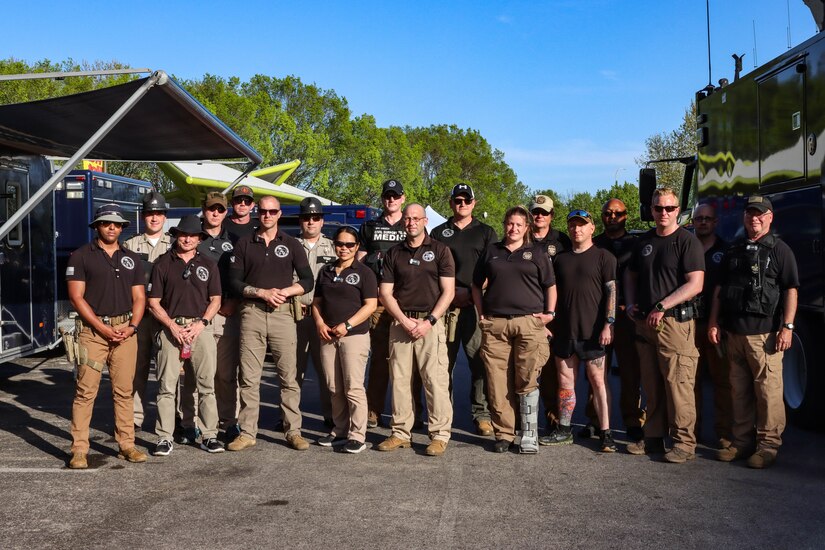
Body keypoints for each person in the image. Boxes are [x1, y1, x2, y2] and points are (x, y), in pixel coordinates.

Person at [709, 196, 799, 469]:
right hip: (734, 334)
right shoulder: (734, 250)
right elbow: (719, 290)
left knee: (768, 393)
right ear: (744, 217)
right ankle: (741, 442)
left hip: (766, 335)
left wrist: (787, 327)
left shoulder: (780, 250)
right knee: (739, 391)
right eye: (750, 214)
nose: (754, 218)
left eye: (760, 214)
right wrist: (714, 321)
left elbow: (790, 290)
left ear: (770, 217)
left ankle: (768, 446)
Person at [228, 195, 314, 451]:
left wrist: (285, 292)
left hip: (283, 314)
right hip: (252, 313)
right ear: (257, 213)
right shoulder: (244, 243)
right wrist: (260, 292)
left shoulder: (291, 244)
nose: (267, 215)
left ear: (279, 214)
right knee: (249, 377)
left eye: (272, 211)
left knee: (288, 376)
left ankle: (293, 431)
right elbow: (234, 282)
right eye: (263, 211)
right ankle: (246, 432)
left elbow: (308, 281)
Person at [625, 187, 704, 464]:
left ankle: (683, 442)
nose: (664, 213)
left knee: (678, 384)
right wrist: (632, 302)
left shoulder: (686, 241)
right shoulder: (645, 242)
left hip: (675, 323)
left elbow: (696, 283)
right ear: (652, 210)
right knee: (652, 384)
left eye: (669, 208)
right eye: (658, 208)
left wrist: (662, 306)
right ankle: (654, 438)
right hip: (646, 324)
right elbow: (631, 274)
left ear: (678, 210)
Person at [66, 204, 148, 469]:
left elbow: (139, 297)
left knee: (124, 392)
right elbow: (76, 297)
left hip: (125, 332)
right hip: (92, 334)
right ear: (97, 226)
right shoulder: (80, 256)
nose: (111, 227)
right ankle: (79, 450)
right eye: (105, 223)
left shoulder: (132, 258)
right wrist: (101, 328)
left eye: (116, 224)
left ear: (123, 228)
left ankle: (126, 445)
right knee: (85, 391)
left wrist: (133, 326)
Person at [473, 206, 555, 454]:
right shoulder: (492, 252)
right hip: (496, 324)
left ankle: (529, 433)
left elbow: (550, 285)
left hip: (528, 323)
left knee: (527, 379)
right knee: (498, 383)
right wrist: (481, 315)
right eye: (510, 223)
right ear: (504, 224)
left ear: (527, 227)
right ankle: (504, 434)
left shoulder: (538, 253)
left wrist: (550, 314)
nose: (514, 228)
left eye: (519, 225)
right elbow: (476, 285)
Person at [376, 203, 455, 456]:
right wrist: (403, 319)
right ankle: (400, 433)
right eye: (407, 219)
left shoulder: (441, 251)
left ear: (424, 221)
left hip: (430, 323)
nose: (411, 222)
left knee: (435, 381)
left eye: (416, 218)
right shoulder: (393, 254)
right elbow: (385, 293)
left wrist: (429, 321)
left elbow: (448, 291)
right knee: (400, 381)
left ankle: (439, 435)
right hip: (400, 323)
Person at [539, 209, 618, 452]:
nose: (577, 229)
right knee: (565, 383)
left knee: (598, 382)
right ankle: (564, 429)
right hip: (564, 331)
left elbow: (611, 292)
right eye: (573, 225)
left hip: (593, 333)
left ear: (592, 228)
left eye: (582, 225)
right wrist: (546, 324)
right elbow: (552, 294)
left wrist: (608, 323)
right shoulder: (560, 259)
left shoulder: (604, 257)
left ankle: (605, 432)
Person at [147, 215, 224, 456]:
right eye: (183, 234)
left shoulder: (209, 264)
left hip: (199, 329)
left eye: (192, 235)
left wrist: (202, 323)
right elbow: (153, 302)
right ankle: (164, 437)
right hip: (172, 329)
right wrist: (171, 326)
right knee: (167, 387)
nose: (187, 239)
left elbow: (216, 300)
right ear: (176, 236)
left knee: (206, 386)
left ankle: (210, 435)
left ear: (200, 238)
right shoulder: (162, 264)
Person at [431, 183, 497, 436]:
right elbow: (431, 270)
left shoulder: (486, 232)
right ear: (451, 203)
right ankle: (442, 415)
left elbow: (494, 269)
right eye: (457, 200)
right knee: (441, 364)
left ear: (474, 203)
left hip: (474, 304)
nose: (462, 204)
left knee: (479, 362)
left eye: (466, 200)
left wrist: (471, 293)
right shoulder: (438, 232)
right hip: (444, 307)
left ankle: (481, 414)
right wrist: (450, 294)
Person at [358, 179, 422, 429]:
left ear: (403, 198)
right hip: (380, 303)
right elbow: (360, 262)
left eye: (396, 196)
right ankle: (373, 410)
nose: (391, 200)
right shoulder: (370, 226)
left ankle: (412, 412)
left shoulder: (411, 225)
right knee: (380, 360)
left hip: (407, 302)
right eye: (387, 196)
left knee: (411, 363)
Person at [312, 226, 378, 454]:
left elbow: (371, 305)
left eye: (350, 244)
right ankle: (339, 430)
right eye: (340, 244)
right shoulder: (326, 270)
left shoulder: (365, 272)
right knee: (333, 386)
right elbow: (317, 302)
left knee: (353, 387)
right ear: (334, 245)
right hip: (327, 335)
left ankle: (357, 435)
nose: (344, 248)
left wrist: (347, 325)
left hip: (354, 336)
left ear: (357, 246)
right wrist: (320, 323)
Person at [588, 198, 645, 443]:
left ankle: (633, 421)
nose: (612, 217)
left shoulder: (636, 244)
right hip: (596, 316)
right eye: (608, 213)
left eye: (617, 213)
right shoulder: (594, 244)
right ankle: (594, 421)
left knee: (630, 372)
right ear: (602, 217)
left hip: (627, 317)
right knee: (594, 373)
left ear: (625, 216)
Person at [123, 191, 172, 432]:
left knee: (169, 371)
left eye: (159, 214)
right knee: (137, 368)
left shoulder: (174, 244)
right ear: (144, 217)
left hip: (166, 317)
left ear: (165, 217)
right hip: (140, 317)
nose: (154, 218)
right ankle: (134, 417)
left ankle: (173, 421)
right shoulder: (130, 245)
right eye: (150, 214)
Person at [197, 191, 242, 442]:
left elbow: (245, 274)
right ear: (204, 210)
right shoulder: (192, 238)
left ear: (226, 212)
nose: (216, 213)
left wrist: (234, 301)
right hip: (199, 313)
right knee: (199, 373)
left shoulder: (235, 239)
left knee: (226, 373)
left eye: (221, 209)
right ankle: (195, 421)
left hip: (228, 312)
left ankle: (229, 420)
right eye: (211, 209)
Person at [692, 203, 732, 448]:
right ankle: (690, 433)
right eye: (699, 219)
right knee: (690, 382)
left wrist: (717, 323)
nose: (703, 222)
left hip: (717, 327)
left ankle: (725, 434)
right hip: (689, 323)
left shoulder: (726, 251)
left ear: (715, 222)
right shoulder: (685, 247)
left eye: (707, 218)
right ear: (693, 222)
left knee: (722, 381)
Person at [530, 194, 571, 433]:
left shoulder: (561, 240)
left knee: (553, 371)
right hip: (528, 312)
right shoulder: (522, 237)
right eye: (536, 211)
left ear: (551, 216)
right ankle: (519, 420)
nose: (539, 216)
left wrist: (552, 312)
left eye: (544, 212)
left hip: (556, 314)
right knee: (525, 369)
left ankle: (554, 418)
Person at [295, 197, 335, 427]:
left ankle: (331, 416)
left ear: (322, 221)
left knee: (326, 370)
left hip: (323, 318)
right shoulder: (289, 246)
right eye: (306, 217)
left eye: (315, 217)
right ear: (301, 220)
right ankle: (289, 417)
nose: (311, 222)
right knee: (292, 370)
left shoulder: (333, 247)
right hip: (295, 315)